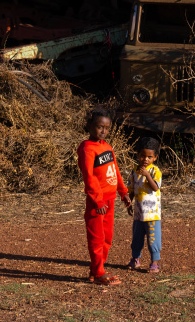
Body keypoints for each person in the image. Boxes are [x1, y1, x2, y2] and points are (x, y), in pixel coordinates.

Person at [77, 107, 133, 286]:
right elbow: (89, 176)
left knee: (107, 238)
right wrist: (97, 199)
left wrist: (123, 192)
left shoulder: (107, 147)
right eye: (100, 127)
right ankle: (99, 272)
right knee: (97, 238)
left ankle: (96, 270)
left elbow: (114, 171)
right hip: (97, 203)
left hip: (110, 200)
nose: (104, 131)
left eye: (107, 128)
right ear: (89, 126)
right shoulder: (87, 148)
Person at [127, 137, 162, 273]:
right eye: (142, 156)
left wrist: (147, 175)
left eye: (149, 157)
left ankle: (154, 263)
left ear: (155, 157)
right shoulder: (134, 171)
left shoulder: (155, 171)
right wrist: (128, 203)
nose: (145, 159)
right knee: (137, 237)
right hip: (138, 212)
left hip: (152, 213)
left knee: (153, 238)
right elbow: (131, 189)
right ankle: (135, 259)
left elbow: (155, 187)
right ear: (138, 155)